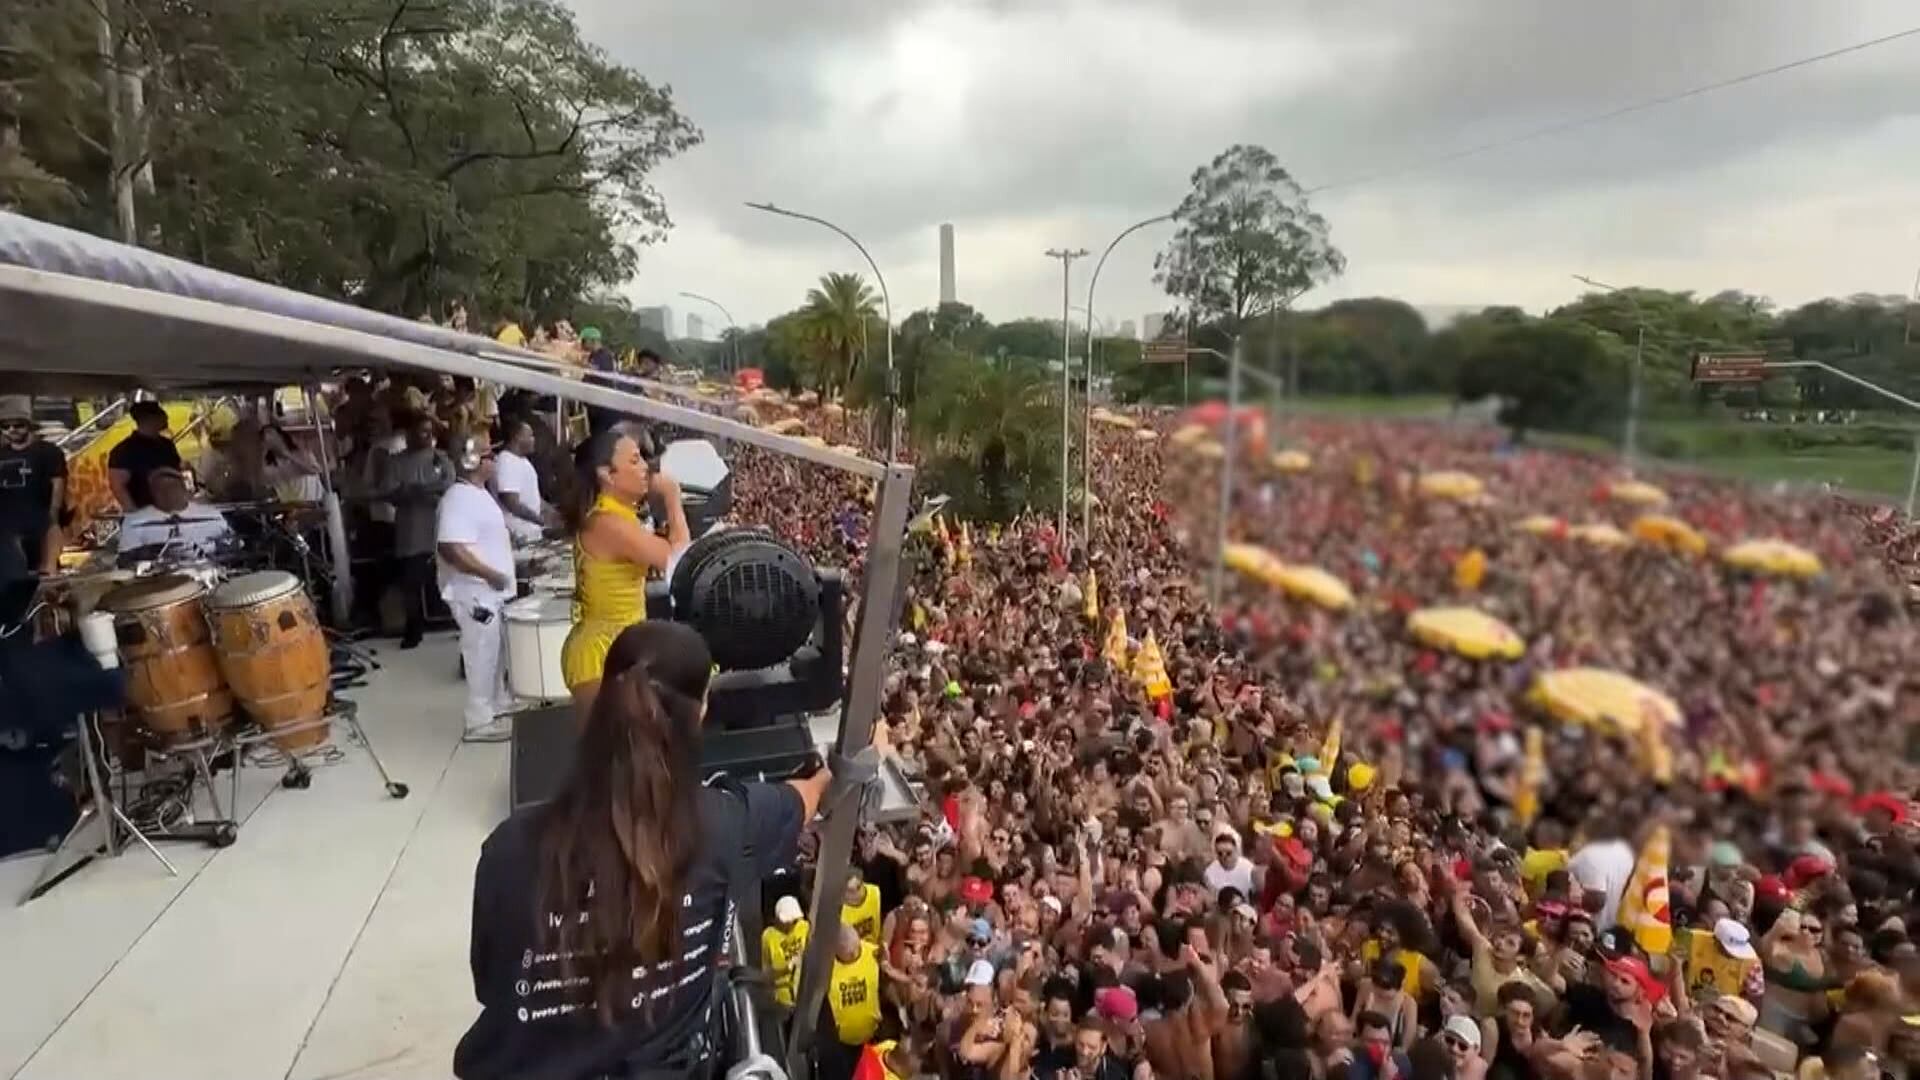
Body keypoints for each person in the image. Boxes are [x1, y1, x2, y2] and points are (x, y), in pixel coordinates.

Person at [454, 621, 831, 1080]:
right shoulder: (726, 825)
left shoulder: (508, 848)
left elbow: (490, 981)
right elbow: (805, 797)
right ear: (700, 712)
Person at [559, 425, 689, 719]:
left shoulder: (618, 516)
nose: (645, 468)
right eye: (634, 461)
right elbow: (679, 561)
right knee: (612, 744)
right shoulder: (607, 523)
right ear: (607, 474)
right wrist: (672, 498)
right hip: (601, 653)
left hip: (625, 644)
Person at [436, 435, 516, 743]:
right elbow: (451, 548)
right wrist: (490, 574)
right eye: (487, 456)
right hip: (475, 593)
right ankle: (478, 720)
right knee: (481, 653)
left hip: (490, 592)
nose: (493, 460)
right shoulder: (458, 498)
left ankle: (497, 703)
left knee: (496, 652)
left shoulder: (479, 494)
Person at [375, 410, 452, 649]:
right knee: (410, 584)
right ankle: (413, 629)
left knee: (448, 580)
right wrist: (420, 492)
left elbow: (448, 487)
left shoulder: (441, 458)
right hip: (410, 534)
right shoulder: (396, 462)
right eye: (421, 432)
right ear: (408, 434)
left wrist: (417, 490)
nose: (427, 436)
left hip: (441, 531)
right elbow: (390, 493)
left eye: (430, 432)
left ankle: (451, 621)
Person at [0, 396, 66, 576]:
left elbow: (58, 483)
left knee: (45, 573)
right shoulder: (2, 453)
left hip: (40, 519)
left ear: (29, 425)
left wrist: (54, 513)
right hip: (8, 525)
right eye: (5, 426)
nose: (12, 430)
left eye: (18, 425)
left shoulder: (48, 451)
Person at [114, 467, 233, 560]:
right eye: (161, 488)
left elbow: (232, 545)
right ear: (153, 493)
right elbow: (125, 559)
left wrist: (218, 552)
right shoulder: (135, 522)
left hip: (210, 572)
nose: (168, 493)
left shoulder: (210, 515)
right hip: (158, 579)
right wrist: (155, 551)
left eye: (173, 486)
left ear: (184, 488)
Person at [107, 400, 182, 511]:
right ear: (149, 418)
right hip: (145, 512)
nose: (166, 416)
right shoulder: (124, 450)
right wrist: (135, 513)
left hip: (175, 508)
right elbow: (118, 486)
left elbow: (176, 472)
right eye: (160, 413)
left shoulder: (167, 444)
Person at [492, 416, 551, 544]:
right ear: (517, 437)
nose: (534, 439)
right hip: (519, 536)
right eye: (530, 436)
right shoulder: (507, 461)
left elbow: (532, 495)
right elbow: (511, 502)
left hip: (532, 534)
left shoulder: (522, 461)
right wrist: (540, 520)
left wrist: (552, 513)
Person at [762, 895, 810, 1010]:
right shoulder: (768, 936)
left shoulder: (803, 926)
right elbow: (766, 974)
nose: (791, 925)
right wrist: (786, 968)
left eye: (794, 921)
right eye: (788, 922)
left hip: (805, 996)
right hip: (784, 1002)